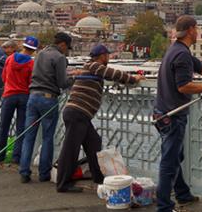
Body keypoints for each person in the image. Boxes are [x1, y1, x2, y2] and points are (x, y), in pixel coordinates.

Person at [56, 44, 144, 193]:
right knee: (71, 149)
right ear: (102, 56)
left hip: (80, 114)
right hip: (78, 113)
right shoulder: (94, 66)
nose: (108, 58)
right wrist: (134, 79)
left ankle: (98, 177)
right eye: (107, 55)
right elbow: (113, 74)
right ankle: (62, 183)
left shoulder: (91, 67)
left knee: (94, 142)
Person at [154, 15, 202, 211]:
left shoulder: (177, 50)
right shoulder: (181, 55)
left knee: (175, 156)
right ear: (190, 30)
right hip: (172, 115)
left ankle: (182, 193)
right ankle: (163, 205)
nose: (198, 33)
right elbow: (184, 86)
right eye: (197, 29)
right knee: (169, 162)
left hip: (162, 112)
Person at [19, 32, 76, 183]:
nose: (67, 51)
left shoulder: (40, 54)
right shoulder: (59, 57)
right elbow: (62, 83)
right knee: (47, 137)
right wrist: (73, 78)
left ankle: (24, 172)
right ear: (62, 44)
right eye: (67, 48)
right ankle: (44, 173)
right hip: (48, 99)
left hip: (32, 97)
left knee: (28, 137)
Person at [0, 36, 38, 163]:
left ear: (23, 46)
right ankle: (16, 156)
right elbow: (31, 81)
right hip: (24, 95)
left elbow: (4, 77)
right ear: (33, 50)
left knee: (4, 125)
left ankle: (0, 155)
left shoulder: (10, 59)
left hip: (9, 94)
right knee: (21, 128)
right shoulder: (31, 63)